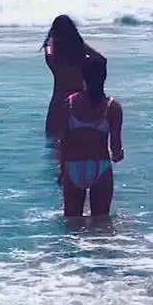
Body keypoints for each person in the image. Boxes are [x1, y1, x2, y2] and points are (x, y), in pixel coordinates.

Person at [54, 57, 124, 218]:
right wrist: (119, 153)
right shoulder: (113, 107)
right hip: (100, 167)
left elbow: (63, 141)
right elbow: (116, 151)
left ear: (83, 76)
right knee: (101, 224)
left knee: (72, 224)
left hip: (73, 168)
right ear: (104, 76)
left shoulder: (69, 104)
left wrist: (61, 170)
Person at [42, 15, 106, 141]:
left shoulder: (54, 55)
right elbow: (101, 59)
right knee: (82, 136)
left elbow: (49, 56)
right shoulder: (80, 49)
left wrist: (49, 41)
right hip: (81, 96)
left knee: (54, 138)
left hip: (60, 98)